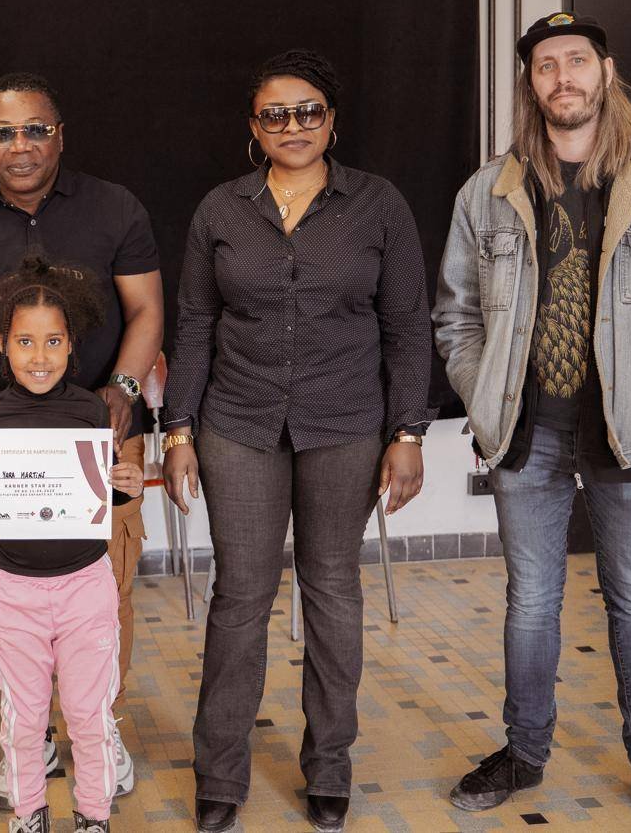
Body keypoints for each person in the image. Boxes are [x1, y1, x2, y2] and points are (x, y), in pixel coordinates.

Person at [433, 12, 631, 833]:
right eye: (545, 65)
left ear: (606, 71)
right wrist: (480, 391)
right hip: (525, 433)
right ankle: (524, 753)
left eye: (576, 61)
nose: (561, 77)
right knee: (530, 602)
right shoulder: (488, 192)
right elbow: (456, 314)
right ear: (530, 84)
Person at [161, 49, 434, 833]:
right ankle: (220, 776)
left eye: (309, 110)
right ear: (254, 127)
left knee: (333, 590)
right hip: (238, 423)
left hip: (345, 424)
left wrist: (408, 431)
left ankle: (330, 767)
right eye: (275, 114)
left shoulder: (378, 206)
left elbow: (407, 326)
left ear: (332, 120)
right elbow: (195, 324)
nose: (294, 126)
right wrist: (177, 429)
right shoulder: (221, 210)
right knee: (240, 597)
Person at [0, 72, 163, 808]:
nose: (20, 145)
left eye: (35, 129)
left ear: (60, 135)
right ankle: (33, 742)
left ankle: (97, 728)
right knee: (26, 596)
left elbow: (147, 312)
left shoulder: (115, 208)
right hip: (9, 449)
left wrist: (123, 390)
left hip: (103, 436)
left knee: (106, 593)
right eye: (4, 132)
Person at [0, 256, 146, 833]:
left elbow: (102, 493)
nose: (39, 356)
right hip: (13, 592)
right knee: (24, 720)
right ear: (2, 345)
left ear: (71, 343)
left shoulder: (91, 410)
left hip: (86, 589)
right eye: (25, 342)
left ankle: (94, 817)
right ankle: (29, 815)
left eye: (53, 341)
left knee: (90, 716)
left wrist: (126, 486)